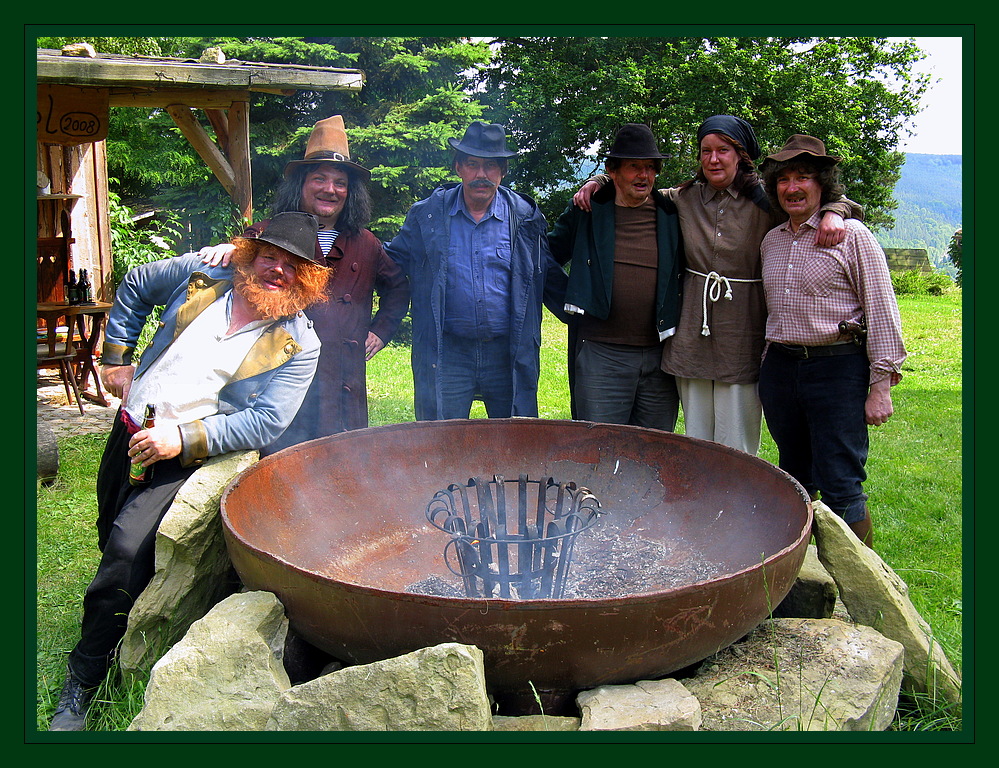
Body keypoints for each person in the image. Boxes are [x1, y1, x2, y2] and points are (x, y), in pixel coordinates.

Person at [49, 212, 328, 731]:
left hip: (182, 458)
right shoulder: (204, 274)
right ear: (249, 253)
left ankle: (82, 681)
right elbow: (134, 284)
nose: (278, 270)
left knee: (128, 548)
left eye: (294, 266)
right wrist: (115, 358)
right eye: (270, 256)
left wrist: (180, 438)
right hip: (128, 429)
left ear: (307, 278)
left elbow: (266, 421)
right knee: (111, 530)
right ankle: (116, 609)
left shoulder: (300, 344)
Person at [573, 115, 862, 454]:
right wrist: (599, 181)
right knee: (695, 440)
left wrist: (836, 210)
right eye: (705, 150)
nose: (713, 159)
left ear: (740, 155)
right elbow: (635, 186)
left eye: (723, 150)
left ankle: (734, 503)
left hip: (741, 332)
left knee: (735, 439)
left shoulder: (765, 201)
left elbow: (810, 200)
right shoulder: (683, 198)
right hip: (691, 334)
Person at [200, 116, 410, 453]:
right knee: (280, 469)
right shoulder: (267, 235)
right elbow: (237, 274)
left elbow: (398, 288)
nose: (330, 189)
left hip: (342, 384)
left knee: (342, 467)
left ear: (350, 192)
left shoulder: (366, 243)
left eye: (340, 183)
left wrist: (381, 331)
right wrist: (231, 249)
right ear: (301, 184)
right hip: (278, 379)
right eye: (320, 179)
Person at [757, 134, 906, 548]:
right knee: (795, 475)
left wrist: (881, 386)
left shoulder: (852, 235)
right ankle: (805, 576)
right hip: (782, 369)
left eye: (803, 177)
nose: (793, 187)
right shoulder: (772, 241)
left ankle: (860, 588)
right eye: (784, 179)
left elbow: (882, 308)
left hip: (838, 369)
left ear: (822, 183)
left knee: (841, 480)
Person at [385, 121, 569, 420]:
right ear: (459, 167)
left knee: (512, 441)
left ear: (503, 171)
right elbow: (390, 262)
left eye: (491, 166)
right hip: (448, 354)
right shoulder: (428, 215)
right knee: (442, 443)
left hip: (507, 353)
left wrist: (592, 322)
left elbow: (546, 275)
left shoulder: (523, 217)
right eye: (472, 164)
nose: (481, 175)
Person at [548, 123, 683, 430]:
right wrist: (570, 304)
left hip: (660, 357)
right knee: (599, 449)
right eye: (634, 167)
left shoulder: (671, 213)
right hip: (601, 355)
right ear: (613, 170)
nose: (644, 176)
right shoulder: (587, 211)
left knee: (654, 451)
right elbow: (543, 258)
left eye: (650, 168)